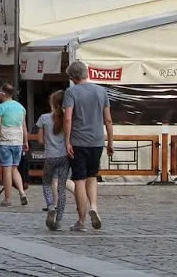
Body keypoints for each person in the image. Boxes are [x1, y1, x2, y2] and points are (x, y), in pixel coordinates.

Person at [63, 60, 115, 233]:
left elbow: (68, 118)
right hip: (97, 141)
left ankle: (81, 220)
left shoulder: (71, 92)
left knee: (79, 180)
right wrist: (110, 142)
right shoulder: (101, 91)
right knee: (92, 176)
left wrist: (67, 141)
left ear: (73, 77)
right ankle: (93, 206)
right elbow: (108, 119)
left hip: (79, 141)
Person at [34, 89, 70, 231]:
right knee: (62, 188)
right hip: (64, 156)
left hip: (50, 156)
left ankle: (50, 205)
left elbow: (41, 141)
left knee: (47, 183)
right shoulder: (67, 118)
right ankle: (59, 221)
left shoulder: (44, 118)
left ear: (52, 103)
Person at [0, 83, 28, 207]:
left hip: (6, 141)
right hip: (18, 141)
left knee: (6, 170)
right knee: (14, 169)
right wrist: (25, 141)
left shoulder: (0, 108)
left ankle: (7, 199)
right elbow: (24, 126)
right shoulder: (21, 108)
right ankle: (22, 192)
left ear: (3, 93)